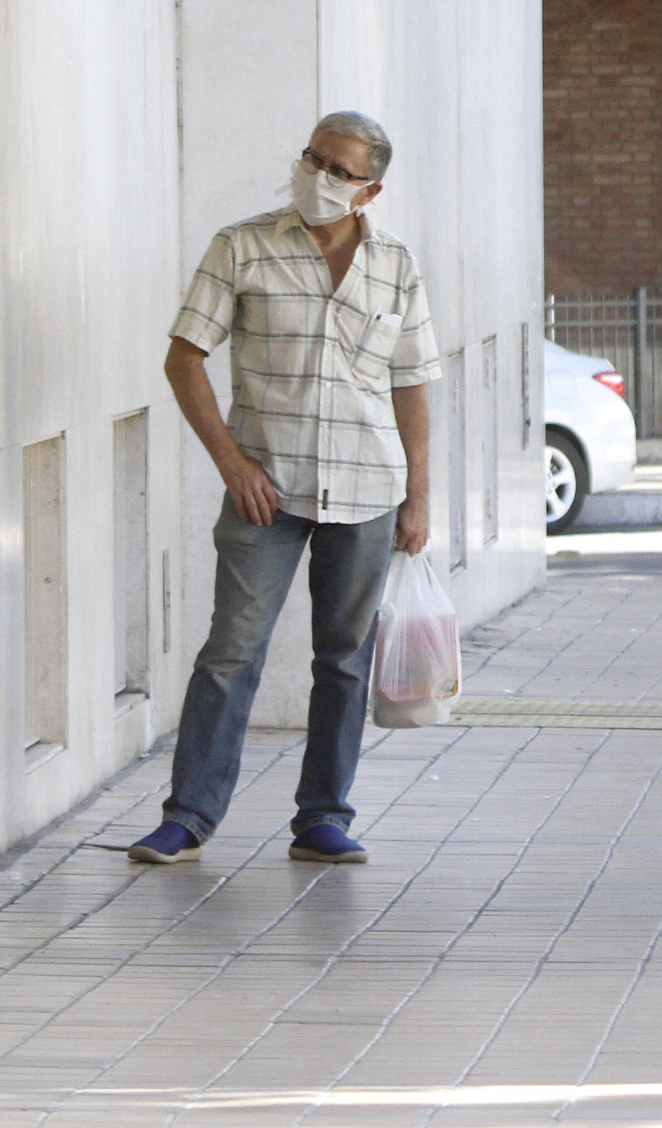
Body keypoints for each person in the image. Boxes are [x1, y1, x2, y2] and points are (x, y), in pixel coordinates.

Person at [124, 113, 436, 867]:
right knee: (231, 652)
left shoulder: (395, 264)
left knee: (344, 658)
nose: (318, 177)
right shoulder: (242, 246)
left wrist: (419, 496)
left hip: (365, 487)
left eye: (338, 171)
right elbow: (184, 359)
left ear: (369, 190)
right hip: (265, 487)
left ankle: (323, 817)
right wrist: (232, 463)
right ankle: (187, 818)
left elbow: (410, 383)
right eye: (313, 159)